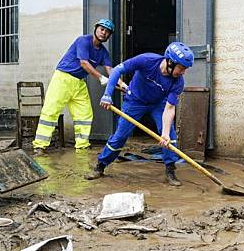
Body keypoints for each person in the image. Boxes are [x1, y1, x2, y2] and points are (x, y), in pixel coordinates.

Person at [84, 42, 194, 186]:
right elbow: (117, 70)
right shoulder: (147, 60)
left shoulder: (178, 82)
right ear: (170, 62)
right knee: (120, 136)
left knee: (170, 137)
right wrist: (107, 95)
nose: (183, 72)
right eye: (182, 68)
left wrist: (165, 133)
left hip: (158, 104)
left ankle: (170, 170)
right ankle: (100, 166)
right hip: (135, 101)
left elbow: (169, 108)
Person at [33, 19, 127, 155]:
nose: (104, 33)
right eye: (102, 29)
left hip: (79, 82)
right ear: (95, 29)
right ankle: (39, 146)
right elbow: (84, 63)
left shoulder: (103, 52)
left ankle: (82, 145)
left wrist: (122, 84)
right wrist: (100, 78)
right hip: (63, 78)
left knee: (85, 114)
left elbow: (111, 71)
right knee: (51, 111)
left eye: (107, 32)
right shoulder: (83, 41)